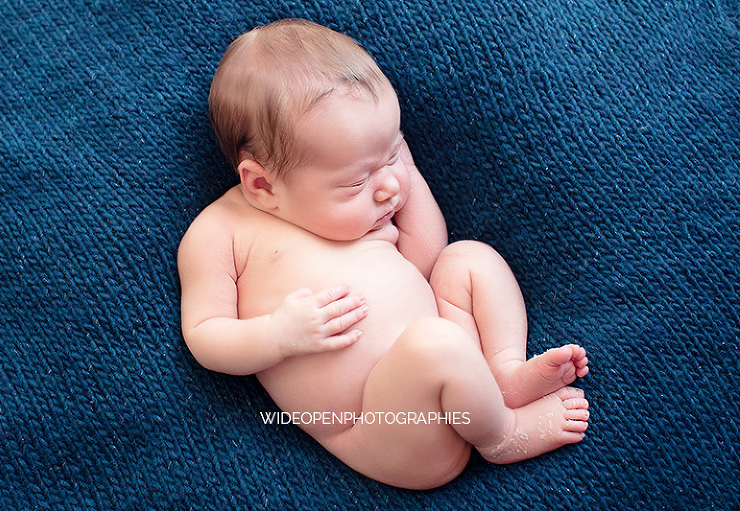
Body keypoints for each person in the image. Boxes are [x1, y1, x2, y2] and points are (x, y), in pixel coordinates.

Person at [178, 18, 590, 489]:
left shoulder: (371, 207)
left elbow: (426, 259)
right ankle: (502, 435)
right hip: (389, 428)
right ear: (263, 185)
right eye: (358, 181)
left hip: (450, 362)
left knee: (468, 259)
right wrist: (279, 334)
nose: (390, 188)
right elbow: (205, 336)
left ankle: (503, 374)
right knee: (434, 344)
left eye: (393, 154)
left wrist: (404, 168)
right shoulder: (219, 232)